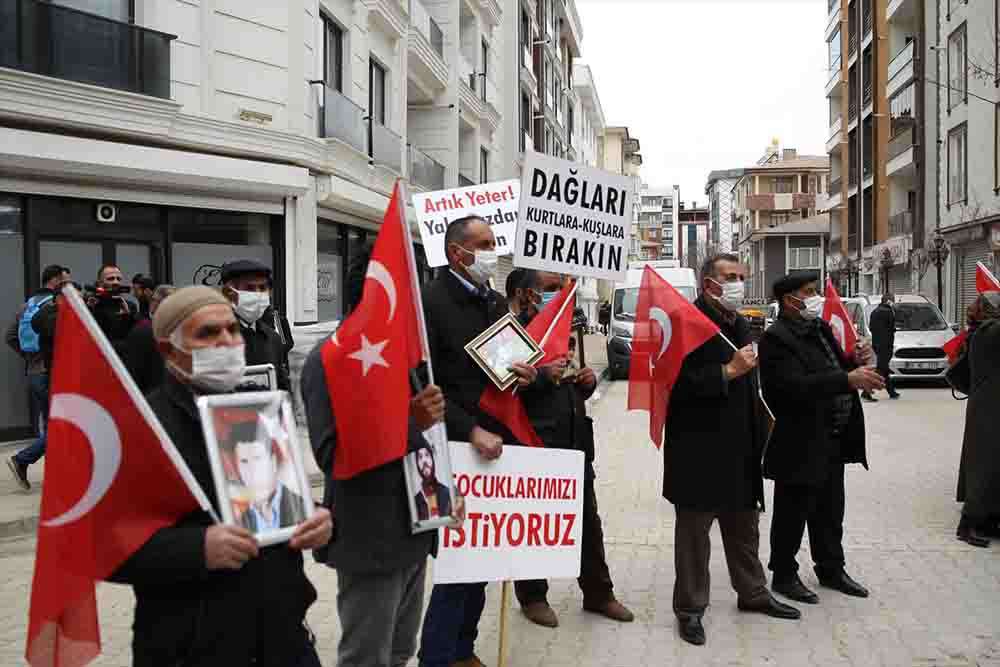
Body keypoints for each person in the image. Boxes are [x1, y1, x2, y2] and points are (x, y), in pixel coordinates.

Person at [108, 285, 332, 666]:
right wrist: (197, 549)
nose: (227, 342)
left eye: (231, 330)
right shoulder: (138, 430)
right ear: (167, 349)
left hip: (282, 634)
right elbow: (106, 546)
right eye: (208, 334)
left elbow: (272, 503)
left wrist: (313, 516)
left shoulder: (257, 412)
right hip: (192, 646)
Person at [301, 239, 462, 667]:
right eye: (410, 287)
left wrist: (443, 491)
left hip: (416, 529)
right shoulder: (329, 361)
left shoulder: (408, 357)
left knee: (400, 650)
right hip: (370, 538)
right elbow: (331, 456)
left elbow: (423, 444)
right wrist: (409, 422)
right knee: (366, 656)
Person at [418, 216, 538, 667]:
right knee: (456, 565)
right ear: (456, 253)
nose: (492, 251)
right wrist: (469, 429)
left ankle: (463, 649)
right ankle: (436, 656)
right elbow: (423, 386)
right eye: (484, 244)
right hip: (452, 449)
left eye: (494, 243)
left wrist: (523, 373)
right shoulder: (429, 303)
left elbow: (500, 368)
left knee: (484, 559)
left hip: (493, 450)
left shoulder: (491, 301)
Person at [664, 254, 799, 647]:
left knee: (744, 529)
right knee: (694, 539)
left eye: (741, 276)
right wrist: (727, 372)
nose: (738, 283)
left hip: (739, 446)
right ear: (709, 284)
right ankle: (690, 610)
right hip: (697, 449)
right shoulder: (685, 324)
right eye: (730, 277)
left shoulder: (739, 323)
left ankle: (753, 593)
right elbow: (674, 385)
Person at [513, 269, 634, 629]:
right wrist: (540, 377)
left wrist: (585, 382)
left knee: (587, 523)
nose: (559, 294)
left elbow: (574, 377)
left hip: (575, 441)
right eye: (551, 288)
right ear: (526, 293)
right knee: (533, 523)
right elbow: (502, 391)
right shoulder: (510, 333)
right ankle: (533, 596)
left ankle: (599, 594)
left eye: (562, 287)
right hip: (534, 444)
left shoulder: (568, 325)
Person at [759, 271, 884, 606]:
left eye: (815, 291)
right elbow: (790, 388)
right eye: (809, 292)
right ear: (789, 299)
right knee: (792, 511)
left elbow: (840, 366)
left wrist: (858, 361)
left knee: (830, 510)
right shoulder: (776, 338)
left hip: (834, 436)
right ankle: (784, 573)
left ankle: (831, 568)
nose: (815, 298)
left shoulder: (820, 329)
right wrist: (846, 380)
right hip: (799, 440)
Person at [5, 265, 72, 490]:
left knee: (52, 425)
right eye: (64, 281)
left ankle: (55, 476)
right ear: (54, 281)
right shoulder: (55, 305)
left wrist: (28, 357)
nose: (68, 286)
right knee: (62, 426)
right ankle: (22, 459)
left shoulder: (28, 305)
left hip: (34, 371)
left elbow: (10, 336)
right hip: (50, 372)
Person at [955, 291, 1000, 547]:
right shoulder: (989, 331)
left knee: (990, 463)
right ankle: (968, 525)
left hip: (988, 403)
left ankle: (988, 519)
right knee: (985, 464)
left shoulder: (980, 330)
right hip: (989, 407)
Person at [224, 419, 306, 533]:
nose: (252, 470)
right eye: (244, 461)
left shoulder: (302, 506)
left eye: (257, 458)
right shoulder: (237, 518)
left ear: (273, 461)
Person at [220, 259, 290, 390]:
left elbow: (282, 385)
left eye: (263, 288)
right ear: (229, 294)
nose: (258, 294)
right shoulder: (212, 338)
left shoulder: (272, 338)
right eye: (250, 288)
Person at [123, 284, 176, 394]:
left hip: (147, 398)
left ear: (154, 304)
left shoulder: (142, 331)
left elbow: (132, 372)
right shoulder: (182, 332)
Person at [89, 264, 137, 346]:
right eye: (110, 279)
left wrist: (127, 316)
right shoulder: (91, 305)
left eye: (118, 279)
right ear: (100, 283)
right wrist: (90, 309)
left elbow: (133, 339)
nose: (116, 282)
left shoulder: (130, 306)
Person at [866, 293, 900, 401]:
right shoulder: (889, 312)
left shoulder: (875, 311)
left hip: (877, 344)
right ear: (889, 301)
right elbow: (891, 327)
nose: (894, 302)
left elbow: (871, 327)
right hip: (886, 345)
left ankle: (892, 392)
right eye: (893, 300)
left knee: (883, 368)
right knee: (881, 369)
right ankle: (866, 392)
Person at [413, 444, 453, 521]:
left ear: (433, 459)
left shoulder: (447, 493)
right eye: (420, 457)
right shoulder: (415, 500)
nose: (424, 461)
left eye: (427, 455)